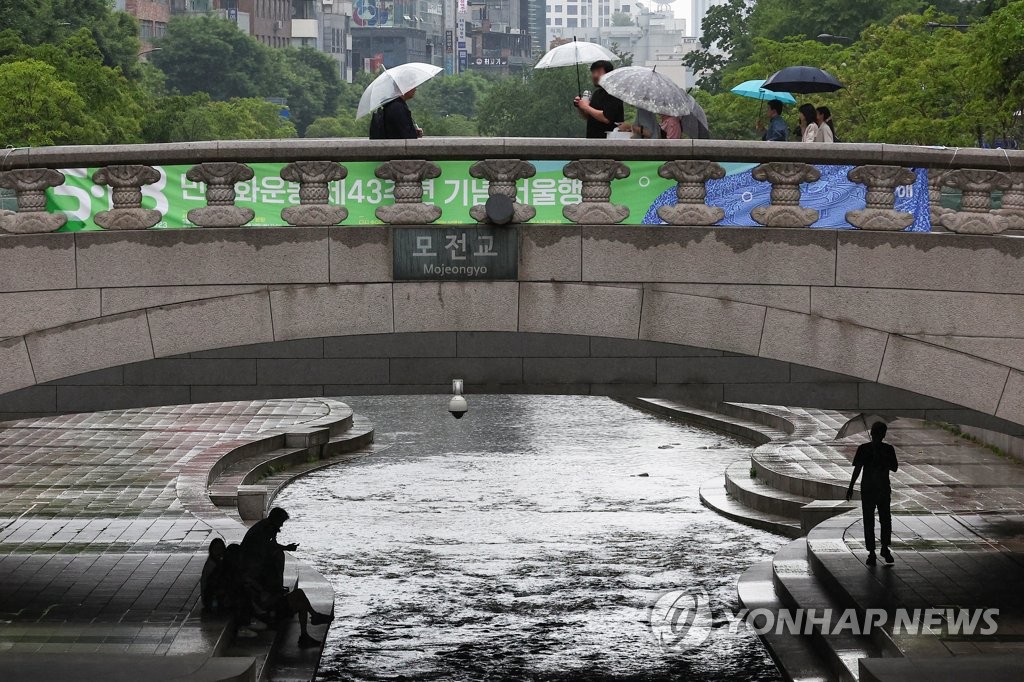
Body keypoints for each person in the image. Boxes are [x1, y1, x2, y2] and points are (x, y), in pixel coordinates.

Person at [845, 422, 899, 566]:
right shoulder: (864, 449)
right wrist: (850, 486)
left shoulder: (887, 449)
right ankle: (874, 551)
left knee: (882, 520)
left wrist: (882, 459)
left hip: (878, 489)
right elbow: (858, 468)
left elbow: (894, 467)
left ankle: (881, 549)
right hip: (872, 489)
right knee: (875, 520)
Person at [241, 507, 298, 596]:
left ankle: (278, 585)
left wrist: (286, 547)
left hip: (254, 555)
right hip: (250, 558)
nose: (281, 525)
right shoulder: (267, 527)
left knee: (278, 554)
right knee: (278, 556)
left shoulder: (267, 525)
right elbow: (268, 547)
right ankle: (277, 586)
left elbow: (272, 545)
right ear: (276, 520)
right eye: (281, 522)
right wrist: (287, 548)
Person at [574, 60, 625, 139]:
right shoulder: (597, 93)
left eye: (598, 72)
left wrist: (586, 107)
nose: (595, 75)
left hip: (608, 143)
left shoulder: (614, 93)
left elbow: (606, 118)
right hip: (592, 140)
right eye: (593, 72)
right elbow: (589, 116)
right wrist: (580, 106)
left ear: (608, 74)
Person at [201, 537, 227, 614]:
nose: (218, 551)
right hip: (211, 598)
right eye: (216, 549)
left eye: (220, 548)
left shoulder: (218, 562)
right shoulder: (211, 565)